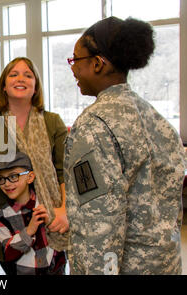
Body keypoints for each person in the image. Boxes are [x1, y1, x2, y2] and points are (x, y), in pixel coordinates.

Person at [64, 16, 185, 274]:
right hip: (166, 264)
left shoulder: (94, 125)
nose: (72, 69)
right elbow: (172, 210)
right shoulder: (158, 121)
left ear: (97, 63)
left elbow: (98, 226)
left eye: (76, 60)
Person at [0, 57, 69, 274]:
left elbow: (64, 172)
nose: (20, 79)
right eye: (13, 74)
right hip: (9, 222)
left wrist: (63, 210)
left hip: (50, 220)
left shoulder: (52, 121)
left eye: (28, 75)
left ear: (36, 85)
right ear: (3, 85)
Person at [0, 152, 66, 275]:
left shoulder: (46, 204)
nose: (7, 184)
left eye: (13, 176)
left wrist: (51, 221)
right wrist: (29, 231)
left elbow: (61, 239)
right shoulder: (1, 216)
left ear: (30, 177)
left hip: (55, 270)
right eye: (1, 179)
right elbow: (8, 253)